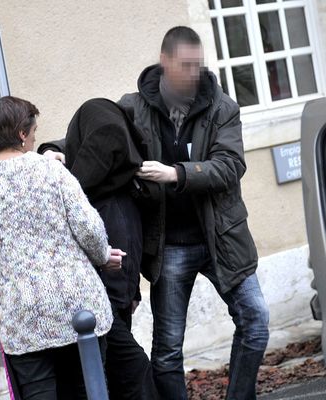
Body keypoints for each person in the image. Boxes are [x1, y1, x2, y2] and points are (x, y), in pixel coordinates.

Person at [121, 26, 269, 399]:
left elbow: (231, 164)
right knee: (168, 350)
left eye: (197, 65)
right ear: (165, 62)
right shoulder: (133, 107)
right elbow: (95, 134)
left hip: (222, 238)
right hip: (170, 246)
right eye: (185, 65)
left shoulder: (222, 107)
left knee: (256, 322)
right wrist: (53, 150)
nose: (193, 73)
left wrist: (176, 174)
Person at [0, 96, 121, 400]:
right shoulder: (52, 170)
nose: (35, 136)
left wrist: (9, 252)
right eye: (33, 130)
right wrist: (102, 257)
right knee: (89, 390)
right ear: (21, 133)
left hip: (22, 313)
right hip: (78, 303)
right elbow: (89, 227)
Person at [39, 99, 158, 399]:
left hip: (106, 305)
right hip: (102, 306)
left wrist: (130, 294)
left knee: (121, 374)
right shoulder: (121, 185)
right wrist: (46, 153)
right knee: (124, 373)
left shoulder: (98, 197)